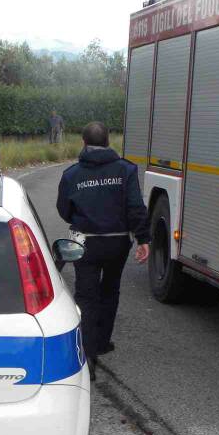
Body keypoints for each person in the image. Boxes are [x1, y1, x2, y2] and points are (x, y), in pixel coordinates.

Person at [56, 122, 149, 381]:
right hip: (117, 243)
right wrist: (143, 238)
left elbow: (63, 210)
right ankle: (102, 342)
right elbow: (135, 206)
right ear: (109, 142)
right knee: (110, 290)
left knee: (86, 297)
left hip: (85, 243)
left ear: (84, 143)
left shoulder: (71, 174)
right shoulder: (126, 170)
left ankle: (87, 359)